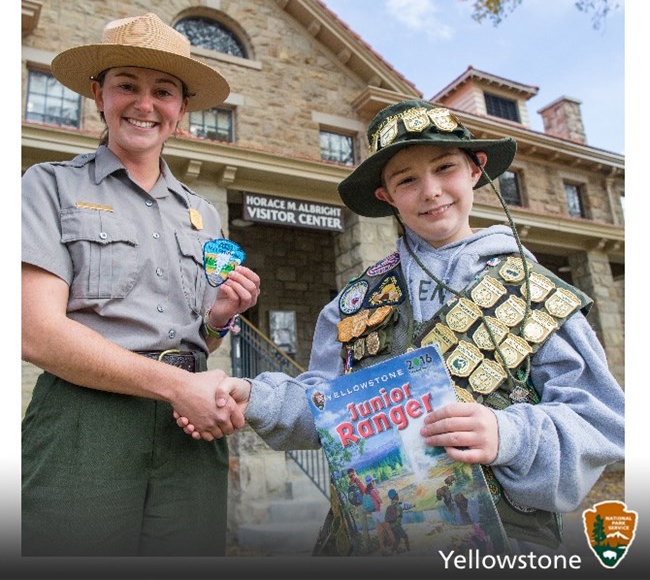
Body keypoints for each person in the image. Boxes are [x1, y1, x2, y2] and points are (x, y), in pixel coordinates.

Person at [176, 99, 624, 553]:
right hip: (362, 540)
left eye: (445, 167)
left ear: (476, 169)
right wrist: (255, 397)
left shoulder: (536, 291)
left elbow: (601, 421)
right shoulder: (352, 305)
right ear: (385, 196)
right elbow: (326, 409)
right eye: (407, 179)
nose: (430, 191)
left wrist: (508, 434)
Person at [21, 12, 261, 556]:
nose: (145, 104)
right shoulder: (47, 186)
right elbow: (34, 332)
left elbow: (204, 339)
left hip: (189, 430)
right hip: (85, 423)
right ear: (97, 94)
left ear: (181, 111)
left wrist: (219, 315)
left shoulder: (204, 216)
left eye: (164, 91)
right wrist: (176, 386)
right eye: (127, 85)